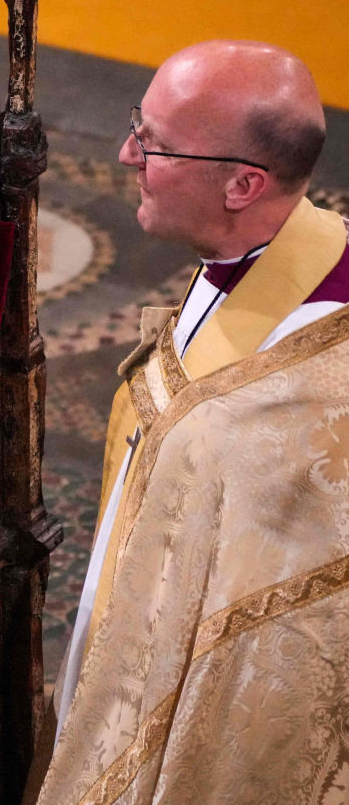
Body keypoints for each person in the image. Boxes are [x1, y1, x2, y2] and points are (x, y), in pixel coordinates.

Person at [35, 41, 349, 805]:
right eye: (135, 126)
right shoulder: (252, 253)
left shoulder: (315, 389)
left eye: (154, 143)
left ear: (243, 184)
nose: (125, 155)